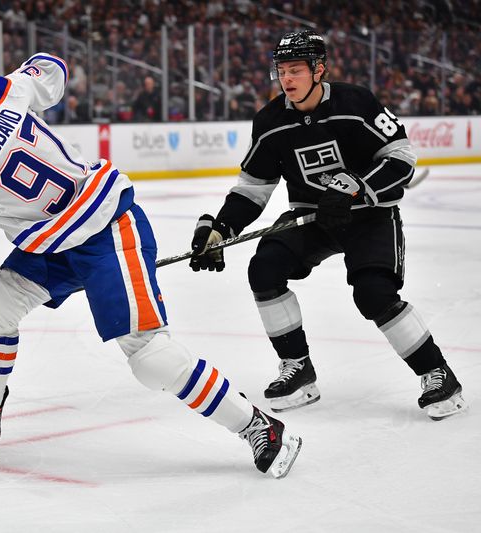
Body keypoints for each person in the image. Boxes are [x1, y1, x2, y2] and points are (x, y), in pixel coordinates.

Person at [0, 55, 302, 478]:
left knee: (150, 356)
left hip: (107, 231)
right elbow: (51, 69)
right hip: (55, 242)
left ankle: (260, 427)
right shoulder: (1, 91)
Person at [189, 30, 467, 420]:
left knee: (373, 293)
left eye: (296, 70)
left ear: (319, 70)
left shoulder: (356, 102)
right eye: (281, 71)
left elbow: (401, 156)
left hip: (369, 213)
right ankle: (298, 369)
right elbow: (253, 188)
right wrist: (221, 228)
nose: (287, 80)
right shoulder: (270, 122)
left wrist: (359, 187)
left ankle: (437, 374)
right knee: (264, 267)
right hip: (312, 215)